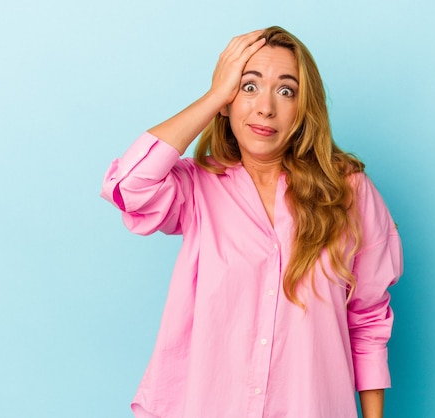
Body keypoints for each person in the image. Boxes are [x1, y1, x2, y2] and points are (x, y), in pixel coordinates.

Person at [101, 26, 402, 418]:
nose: (265, 108)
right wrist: (213, 96)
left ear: (303, 107)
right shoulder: (196, 188)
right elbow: (128, 186)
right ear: (227, 101)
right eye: (248, 87)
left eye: (285, 90)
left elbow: (368, 321)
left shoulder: (349, 194)